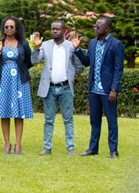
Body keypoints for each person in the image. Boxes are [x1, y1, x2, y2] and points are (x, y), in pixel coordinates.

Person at [72, 17, 125, 159]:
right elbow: (87, 62)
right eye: (95, 26)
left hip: (108, 91)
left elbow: (118, 69)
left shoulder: (116, 44)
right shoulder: (92, 43)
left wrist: (114, 89)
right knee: (94, 121)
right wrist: (77, 49)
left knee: (111, 121)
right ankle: (93, 149)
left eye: (98, 26)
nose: (95, 28)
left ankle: (113, 151)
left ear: (107, 29)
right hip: (94, 90)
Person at [31, 20, 84, 156]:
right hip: (49, 89)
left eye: (57, 29)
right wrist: (36, 48)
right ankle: (47, 148)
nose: (54, 31)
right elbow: (34, 61)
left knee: (68, 119)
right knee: (48, 120)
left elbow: (80, 66)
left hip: (66, 88)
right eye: (52, 29)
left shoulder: (71, 46)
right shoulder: (45, 45)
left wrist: (70, 75)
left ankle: (70, 148)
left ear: (63, 30)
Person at [0, 16, 33, 155]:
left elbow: (29, 62)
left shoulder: (23, 43)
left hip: (19, 82)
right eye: (6, 27)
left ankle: (18, 144)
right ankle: (7, 144)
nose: (9, 29)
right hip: (3, 81)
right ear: (3, 29)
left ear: (16, 27)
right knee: (4, 113)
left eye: (11, 26)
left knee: (19, 114)